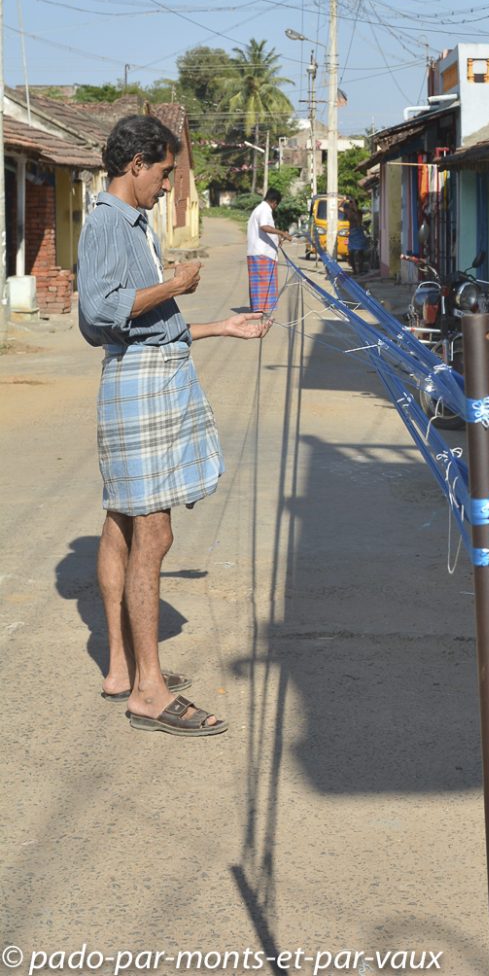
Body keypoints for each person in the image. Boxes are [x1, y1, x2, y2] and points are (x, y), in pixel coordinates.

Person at [77, 114, 271, 737]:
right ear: (135, 165)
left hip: (146, 369)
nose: (167, 186)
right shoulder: (110, 219)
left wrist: (220, 326)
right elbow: (98, 311)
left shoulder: (129, 220)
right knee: (152, 533)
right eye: (164, 173)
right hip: (142, 383)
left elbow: (145, 323)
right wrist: (173, 285)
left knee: (123, 522)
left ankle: (121, 671)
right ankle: (149, 692)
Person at [246, 186, 290, 312]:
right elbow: (264, 227)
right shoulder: (264, 210)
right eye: (276, 205)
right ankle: (260, 309)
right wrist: (282, 233)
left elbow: (265, 232)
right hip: (262, 253)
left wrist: (277, 240)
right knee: (262, 282)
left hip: (260, 252)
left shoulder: (260, 209)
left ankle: (261, 308)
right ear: (274, 202)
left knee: (262, 282)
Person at [345, 197, 368, 276]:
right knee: (351, 252)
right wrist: (344, 200)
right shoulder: (348, 212)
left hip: (358, 232)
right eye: (350, 203)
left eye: (353, 203)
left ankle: (360, 270)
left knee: (360, 252)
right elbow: (338, 207)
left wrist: (354, 204)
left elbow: (366, 211)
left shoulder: (359, 212)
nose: (351, 204)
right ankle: (354, 270)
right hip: (352, 233)